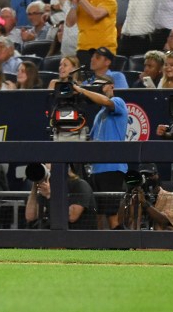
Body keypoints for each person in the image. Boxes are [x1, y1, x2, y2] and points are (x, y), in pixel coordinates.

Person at [73, 77, 128, 229]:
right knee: (98, 214)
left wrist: (82, 90)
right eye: (94, 86)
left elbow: (106, 101)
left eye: (100, 85)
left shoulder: (118, 101)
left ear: (111, 86)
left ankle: (122, 249)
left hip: (112, 168)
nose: (97, 88)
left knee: (112, 215)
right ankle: (102, 249)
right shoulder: (99, 115)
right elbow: (92, 140)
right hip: (96, 169)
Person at [66, 0, 117, 66]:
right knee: (83, 81)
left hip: (104, 51)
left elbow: (96, 15)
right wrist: (75, 4)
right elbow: (69, 23)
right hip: (83, 50)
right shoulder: (82, 0)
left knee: (102, 81)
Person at [24, 163, 97, 230]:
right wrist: (35, 184)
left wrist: (50, 195)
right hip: (54, 237)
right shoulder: (47, 187)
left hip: (79, 236)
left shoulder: (80, 185)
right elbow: (30, 216)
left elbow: (71, 217)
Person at [119, 164, 173, 231]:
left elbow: (166, 222)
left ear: (157, 175)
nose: (147, 178)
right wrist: (128, 193)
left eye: (149, 175)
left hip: (161, 238)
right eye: (143, 175)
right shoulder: (134, 195)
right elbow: (121, 222)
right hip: (136, 238)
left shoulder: (170, 197)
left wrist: (144, 203)